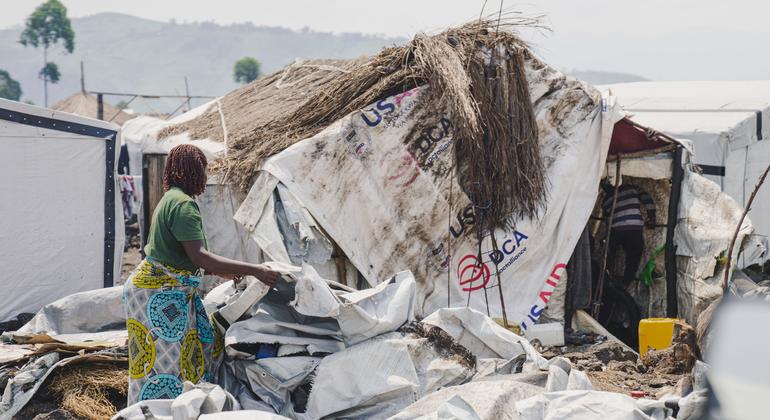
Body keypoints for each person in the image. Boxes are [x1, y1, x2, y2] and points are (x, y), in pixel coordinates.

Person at [123, 144, 279, 405]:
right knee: (164, 363)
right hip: (159, 294)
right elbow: (199, 256)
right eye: (203, 172)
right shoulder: (183, 205)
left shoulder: (172, 199)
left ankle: (183, 405)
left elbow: (181, 255)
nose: (206, 179)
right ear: (192, 172)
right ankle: (158, 410)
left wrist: (223, 271)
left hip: (161, 289)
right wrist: (256, 270)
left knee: (201, 342)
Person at [601, 182, 656, 287]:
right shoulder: (632, 188)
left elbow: (607, 222)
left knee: (608, 253)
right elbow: (647, 199)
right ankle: (626, 283)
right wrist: (651, 217)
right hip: (633, 228)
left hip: (616, 230)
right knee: (633, 257)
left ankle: (608, 278)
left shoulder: (605, 201)